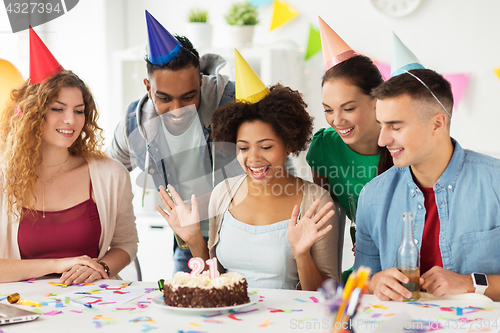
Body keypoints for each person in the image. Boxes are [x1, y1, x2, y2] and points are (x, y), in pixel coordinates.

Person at [156, 51, 340, 291]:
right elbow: (216, 281)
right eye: (243, 147)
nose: (253, 158)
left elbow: (329, 293)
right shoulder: (223, 194)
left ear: (288, 143)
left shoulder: (316, 200)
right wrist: (193, 240)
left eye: (266, 147)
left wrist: (302, 254)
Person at [354, 34, 500, 301]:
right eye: (381, 125)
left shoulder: (495, 182)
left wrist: (471, 283)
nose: (382, 140)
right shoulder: (373, 196)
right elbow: (358, 282)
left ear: (437, 123)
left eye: (395, 126)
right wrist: (375, 282)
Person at [0, 28, 138, 285]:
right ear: (32, 114)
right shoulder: (3, 179)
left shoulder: (110, 175)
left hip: (96, 308)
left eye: (79, 111)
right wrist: (60, 264)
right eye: (57, 109)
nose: (70, 120)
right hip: (25, 309)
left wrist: (101, 267)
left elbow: (126, 243)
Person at [108, 11, 240, 274]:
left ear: (200, 81)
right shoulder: (135, 124)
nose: (177, 109)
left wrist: (211, 202)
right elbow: (106, 175)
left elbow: (275, 169)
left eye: (188, 96)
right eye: (165, 98)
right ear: (148, 87)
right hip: (187, 242)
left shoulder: (233, 104)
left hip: (242, 236)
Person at [306, 18, 393, 281]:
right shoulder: (324, 147)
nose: (337, 121)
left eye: (348, 108)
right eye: (328, 110)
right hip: (364, 272)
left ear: (377, 100)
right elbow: (326, 220)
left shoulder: (403, 146)